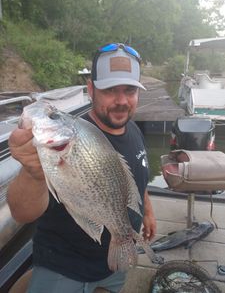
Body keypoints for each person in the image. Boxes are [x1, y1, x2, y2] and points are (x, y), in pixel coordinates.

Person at [7, 43, 157, 293]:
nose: (121, 101)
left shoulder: (134, 130)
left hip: (112, 264)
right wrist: (33, 173)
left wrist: (148, 211)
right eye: (109, 90)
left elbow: (137, 177)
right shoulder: (59, 146)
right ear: (91, 90)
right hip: (63, 267)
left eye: (129, 90)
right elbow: (22, 213)